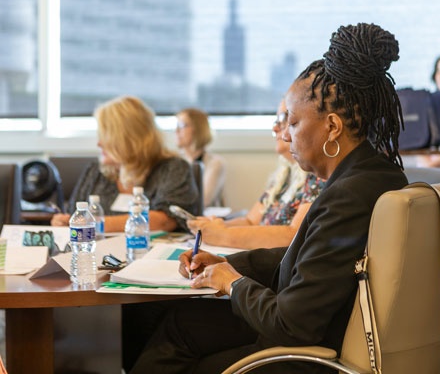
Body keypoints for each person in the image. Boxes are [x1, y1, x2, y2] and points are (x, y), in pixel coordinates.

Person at [129, 22, 409, 374]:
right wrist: (226, 265)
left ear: (333, 127)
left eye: (292, 123)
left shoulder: (349, 195)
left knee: (174, 336)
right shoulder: (375, 175)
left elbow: (293, 324)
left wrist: (232, 282)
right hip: (317, 326)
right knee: (180, 321)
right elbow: (311, 261)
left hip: (305, 352)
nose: (286, 136)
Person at [186, 99, 326, 249]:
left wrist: (222, 234)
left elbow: (293, 235)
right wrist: (214, 227)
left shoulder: (317, 175)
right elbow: (250, 221)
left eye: (284, 119)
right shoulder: (284, 175)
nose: (275, 128)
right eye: (276, 120)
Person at [50, 95, 199, 232]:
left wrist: (89, 224)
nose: (99, 143)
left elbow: (163, 221)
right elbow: (74, 217)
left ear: (129, 139)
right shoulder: (95, 171)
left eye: (106, 137)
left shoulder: (173, 168)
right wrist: (63, 222)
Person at [175, 108, 227, 208]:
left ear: (197, 129)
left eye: (182, 126)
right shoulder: (175, 161)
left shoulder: (215, 163)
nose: (176, 131)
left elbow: (204, 200)